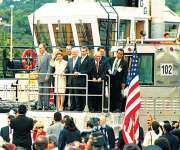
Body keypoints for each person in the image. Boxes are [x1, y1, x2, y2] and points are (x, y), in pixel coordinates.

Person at [36, 43, 51, 110]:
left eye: (41, 48)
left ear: (44, 48)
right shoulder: (38, 56)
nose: (40, 49)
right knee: (40, 92)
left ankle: (46, 106)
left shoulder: (48, 55)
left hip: (46, 77)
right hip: (39, 77)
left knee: (46, 92)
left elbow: (50, 67)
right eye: (39, 48)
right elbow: (36, 66)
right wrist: (36, 73)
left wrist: (47, 75)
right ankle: (39, 106)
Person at [63, 45, 72, 110]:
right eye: (67, 49)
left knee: (72, 92)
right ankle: (65, 105)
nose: (68, 50)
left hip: (72, 78)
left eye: (69, 49)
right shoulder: (63, 57)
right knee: (65, 92)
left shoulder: (75, 57)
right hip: (65, 78)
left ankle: (72, 105)